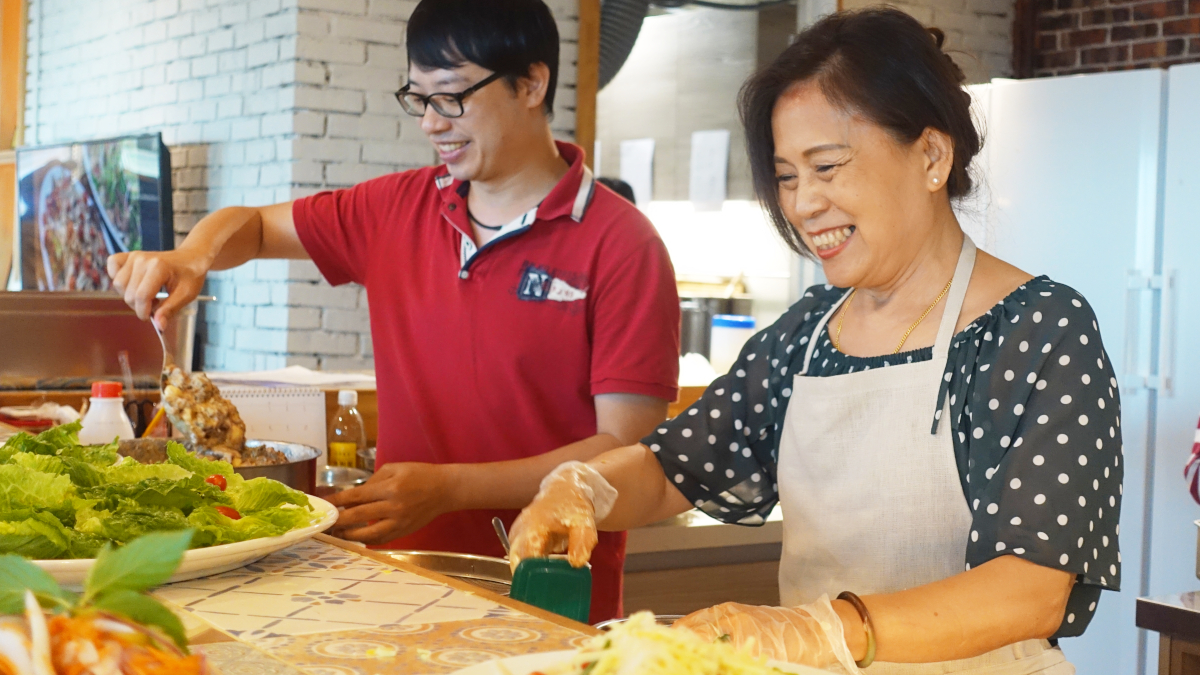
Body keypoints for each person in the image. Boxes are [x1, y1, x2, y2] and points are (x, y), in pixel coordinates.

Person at [509, 8, 1120, 672]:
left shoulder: (1037, 330)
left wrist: (823, 627)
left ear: (932, 156)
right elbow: (671, 467)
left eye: (826, 166)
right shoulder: (807, 335)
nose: (802, 204)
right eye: (788, 176)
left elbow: (1032, 588)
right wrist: (581, 487)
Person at [106, 0, 681, 623]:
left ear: (531, 84)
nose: (431, 123)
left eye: (451, 97)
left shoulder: (623, 244)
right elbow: (255, 226)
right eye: (419, 98)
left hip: (548, 588)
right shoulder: (398, 208)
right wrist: (192, 256)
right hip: (394, 581)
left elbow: (626, 446)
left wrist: (450, 488)